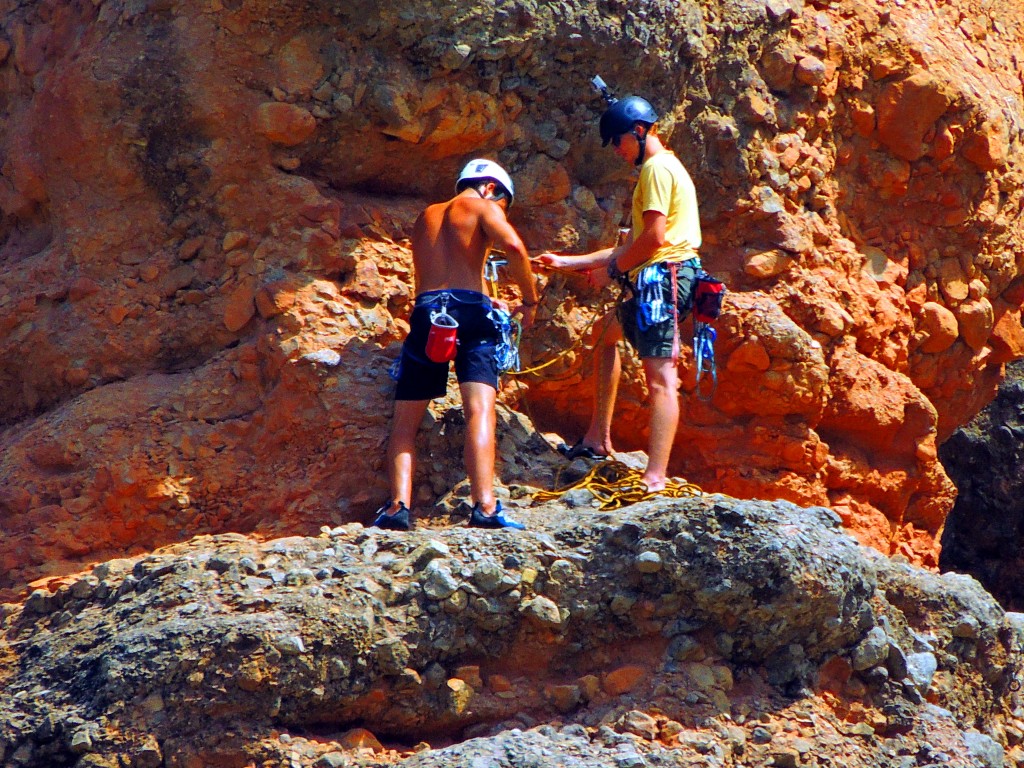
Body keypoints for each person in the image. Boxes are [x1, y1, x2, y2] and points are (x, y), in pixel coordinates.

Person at [538, 95, 702, 493]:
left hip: (665, 279)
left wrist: (613, 271)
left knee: (662, 377)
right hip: (660, 277)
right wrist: (568, 263)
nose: (617, 149)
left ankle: (655, 477)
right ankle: (598, 438)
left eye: (618, 140)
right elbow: (634, 247)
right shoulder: (663, 168)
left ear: (639, 131)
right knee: (604, 336)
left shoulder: (657, 169)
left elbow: (654, 239)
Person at [373, 159, 540, 531]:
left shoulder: (426, 216)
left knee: (405, 424)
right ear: (491, 189)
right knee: (480, 411)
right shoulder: (483, 206)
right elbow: (512, 244)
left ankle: (398, 507)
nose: (499, 210)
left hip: (429, 312)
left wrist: (481, 294)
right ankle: (485, 506)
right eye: (502, 204)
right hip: (471, 314)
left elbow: (444, 275)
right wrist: (529, 301)